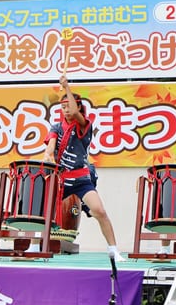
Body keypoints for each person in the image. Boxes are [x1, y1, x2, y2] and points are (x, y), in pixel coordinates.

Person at [43, 75, 125, 261]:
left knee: (100, 211)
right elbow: (50, 147)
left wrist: (67, 87)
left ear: (78, 107)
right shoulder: (56, 127)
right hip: (61, 178)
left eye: (69, 106)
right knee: (41, 211)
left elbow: (74, 112)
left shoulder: (85, 124)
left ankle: (113, 250)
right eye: (62, 107)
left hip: (80, 179)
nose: (66, 110)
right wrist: (48, 156)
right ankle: (34, 246)